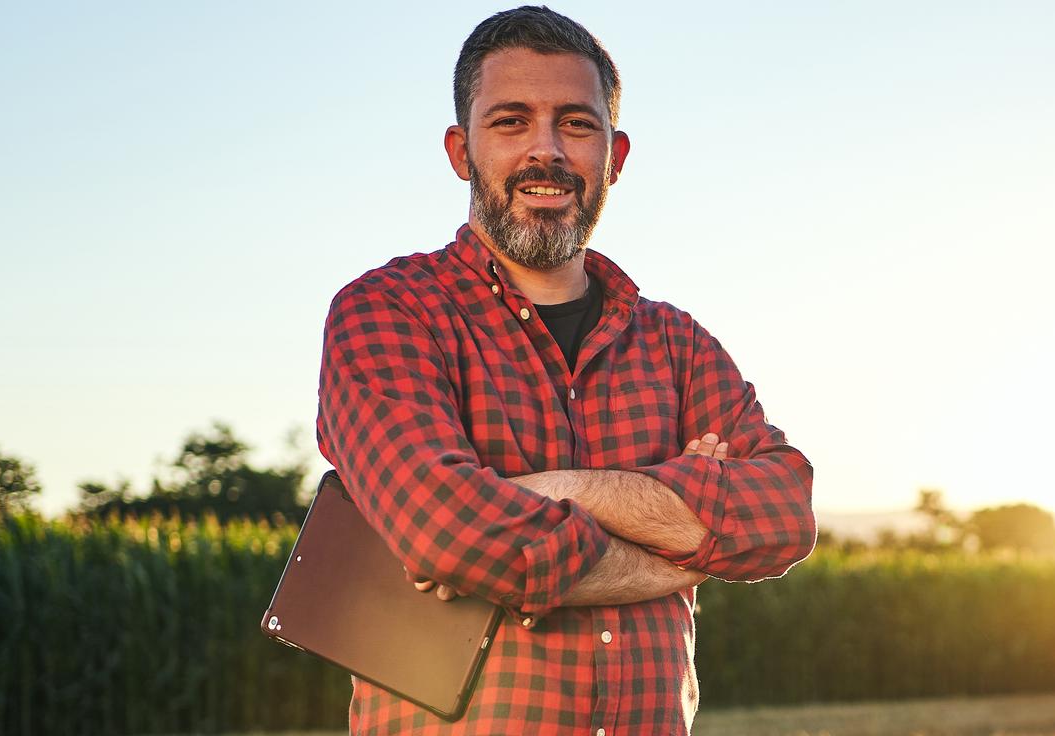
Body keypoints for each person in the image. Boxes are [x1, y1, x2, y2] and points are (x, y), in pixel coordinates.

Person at [314, 6, 816, 734]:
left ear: (616, 156)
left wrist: (559, 491)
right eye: (511, 121)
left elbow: (783, 513)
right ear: (461, 152)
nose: (545, 151)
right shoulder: (387, 313)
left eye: (577, 124)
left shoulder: (678, 344)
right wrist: (674, 549)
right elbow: (446, 531)